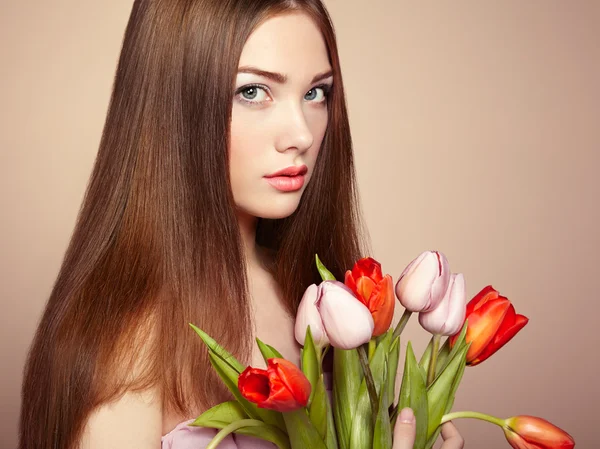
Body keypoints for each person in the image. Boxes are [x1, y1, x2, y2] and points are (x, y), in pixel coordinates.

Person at [19, 1, 464, 448]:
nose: (302, 135)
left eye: (316, 93)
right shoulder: (130, 347)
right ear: (170, 104)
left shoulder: (319, 296)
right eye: (253, 92)